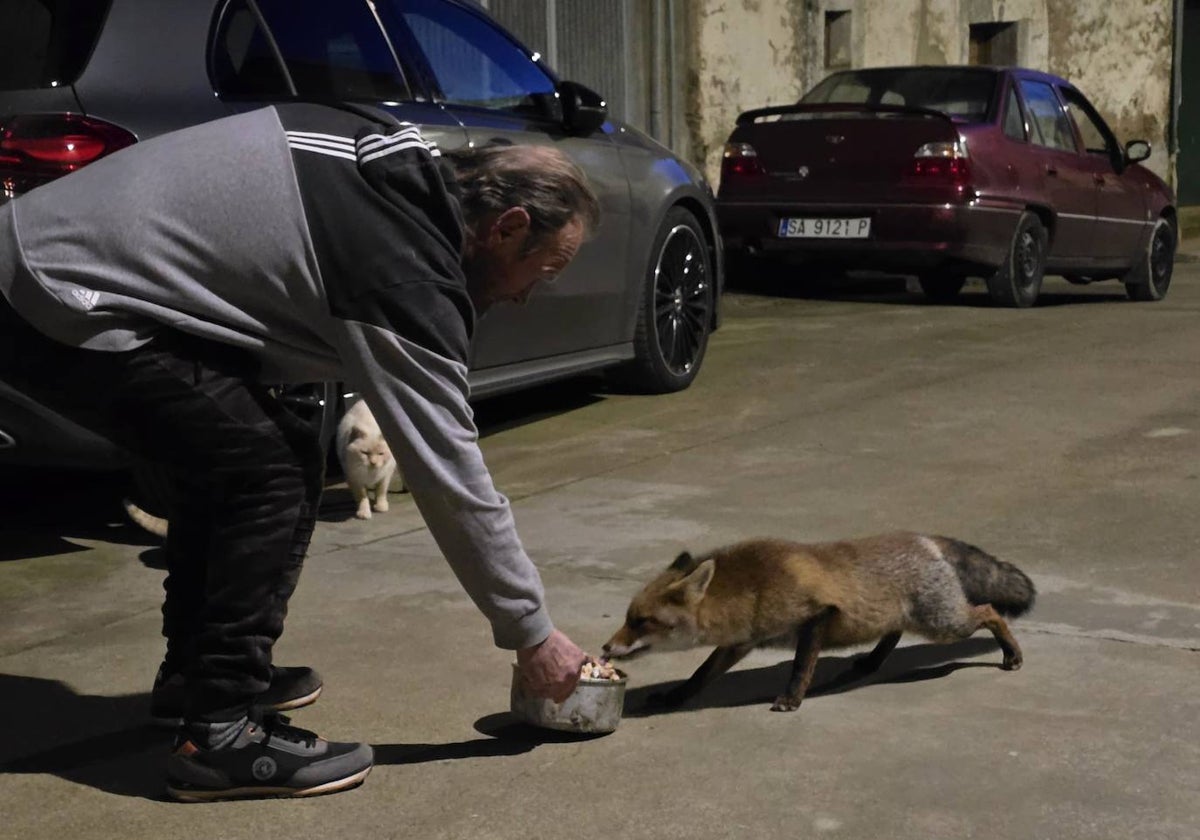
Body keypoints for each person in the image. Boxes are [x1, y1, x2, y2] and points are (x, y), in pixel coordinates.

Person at [0, 102, 600, 801]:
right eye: (543, 272)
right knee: (265, 473)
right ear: (508, 228)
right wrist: (532, 633)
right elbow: (449, 472)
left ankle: (201, 675)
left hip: (52, 267)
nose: (530, 297)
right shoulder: (403, 265)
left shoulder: (395, 166)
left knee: (247, 449)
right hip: (58, 296)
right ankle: (219, 734)